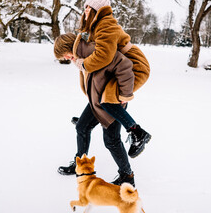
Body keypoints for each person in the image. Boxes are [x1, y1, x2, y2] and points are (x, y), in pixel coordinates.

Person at [54, 33, 149, 186]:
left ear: (68, 46)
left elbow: (124, 66)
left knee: (111, 140)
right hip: (97, 100)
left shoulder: (92, 50)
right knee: (82, 127)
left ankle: (127, 177)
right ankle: (80, 165)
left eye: (64, 55)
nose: (65, 58)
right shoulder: (81, 56)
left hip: (111, 100)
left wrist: (124, 94)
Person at [75, 0, 151, 157]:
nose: (86, 10)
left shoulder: (106, 23)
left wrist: (83, 64)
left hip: (135, 66)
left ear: (98, 10)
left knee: (107, 100)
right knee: (104, 99)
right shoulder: (96, 27)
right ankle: (89, 121)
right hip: (122, 67)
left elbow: (103, 56)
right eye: (85, 7)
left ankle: (138, 133)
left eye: (89, 8)